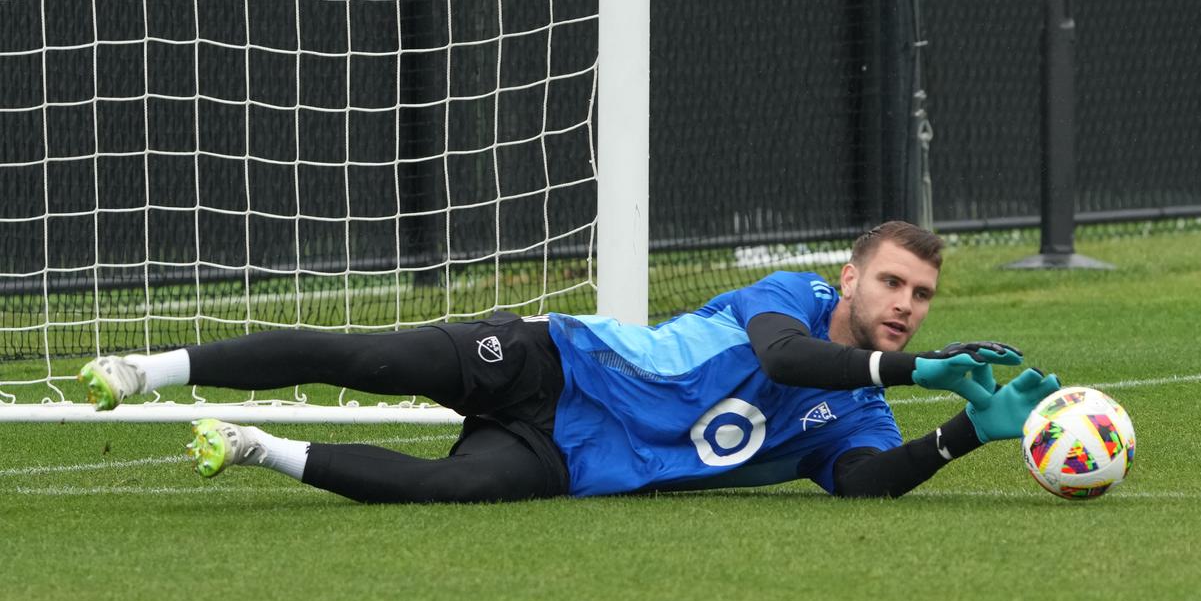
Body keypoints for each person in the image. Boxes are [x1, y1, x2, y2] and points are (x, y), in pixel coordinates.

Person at [78, 221, 1060, 503]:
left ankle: (256, 446)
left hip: (581, 459)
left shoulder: (861, 411)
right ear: (850, 276)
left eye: (921, 296)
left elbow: (864, 481)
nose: (903, 305)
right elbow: (786, 358)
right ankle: (147, 368)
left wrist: (969, 427)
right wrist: (925, 374)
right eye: (891, 283)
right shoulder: (794, 295)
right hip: (558, 361)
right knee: (367, 355)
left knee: (445, 491)